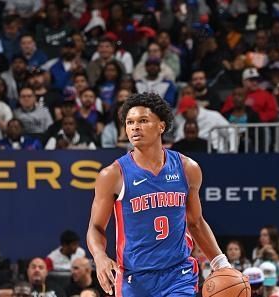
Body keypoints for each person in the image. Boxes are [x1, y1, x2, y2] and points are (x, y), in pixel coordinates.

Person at [87, 92, 232, 296]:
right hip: (134, 278)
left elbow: (196, 222)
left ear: (161, 126)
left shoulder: (187, 168)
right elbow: (95, 227)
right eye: (129, 122)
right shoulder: (113, 175)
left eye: (143, 120)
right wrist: (100, 257)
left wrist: (221, 263)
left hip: (178, 274)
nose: (134, 127)